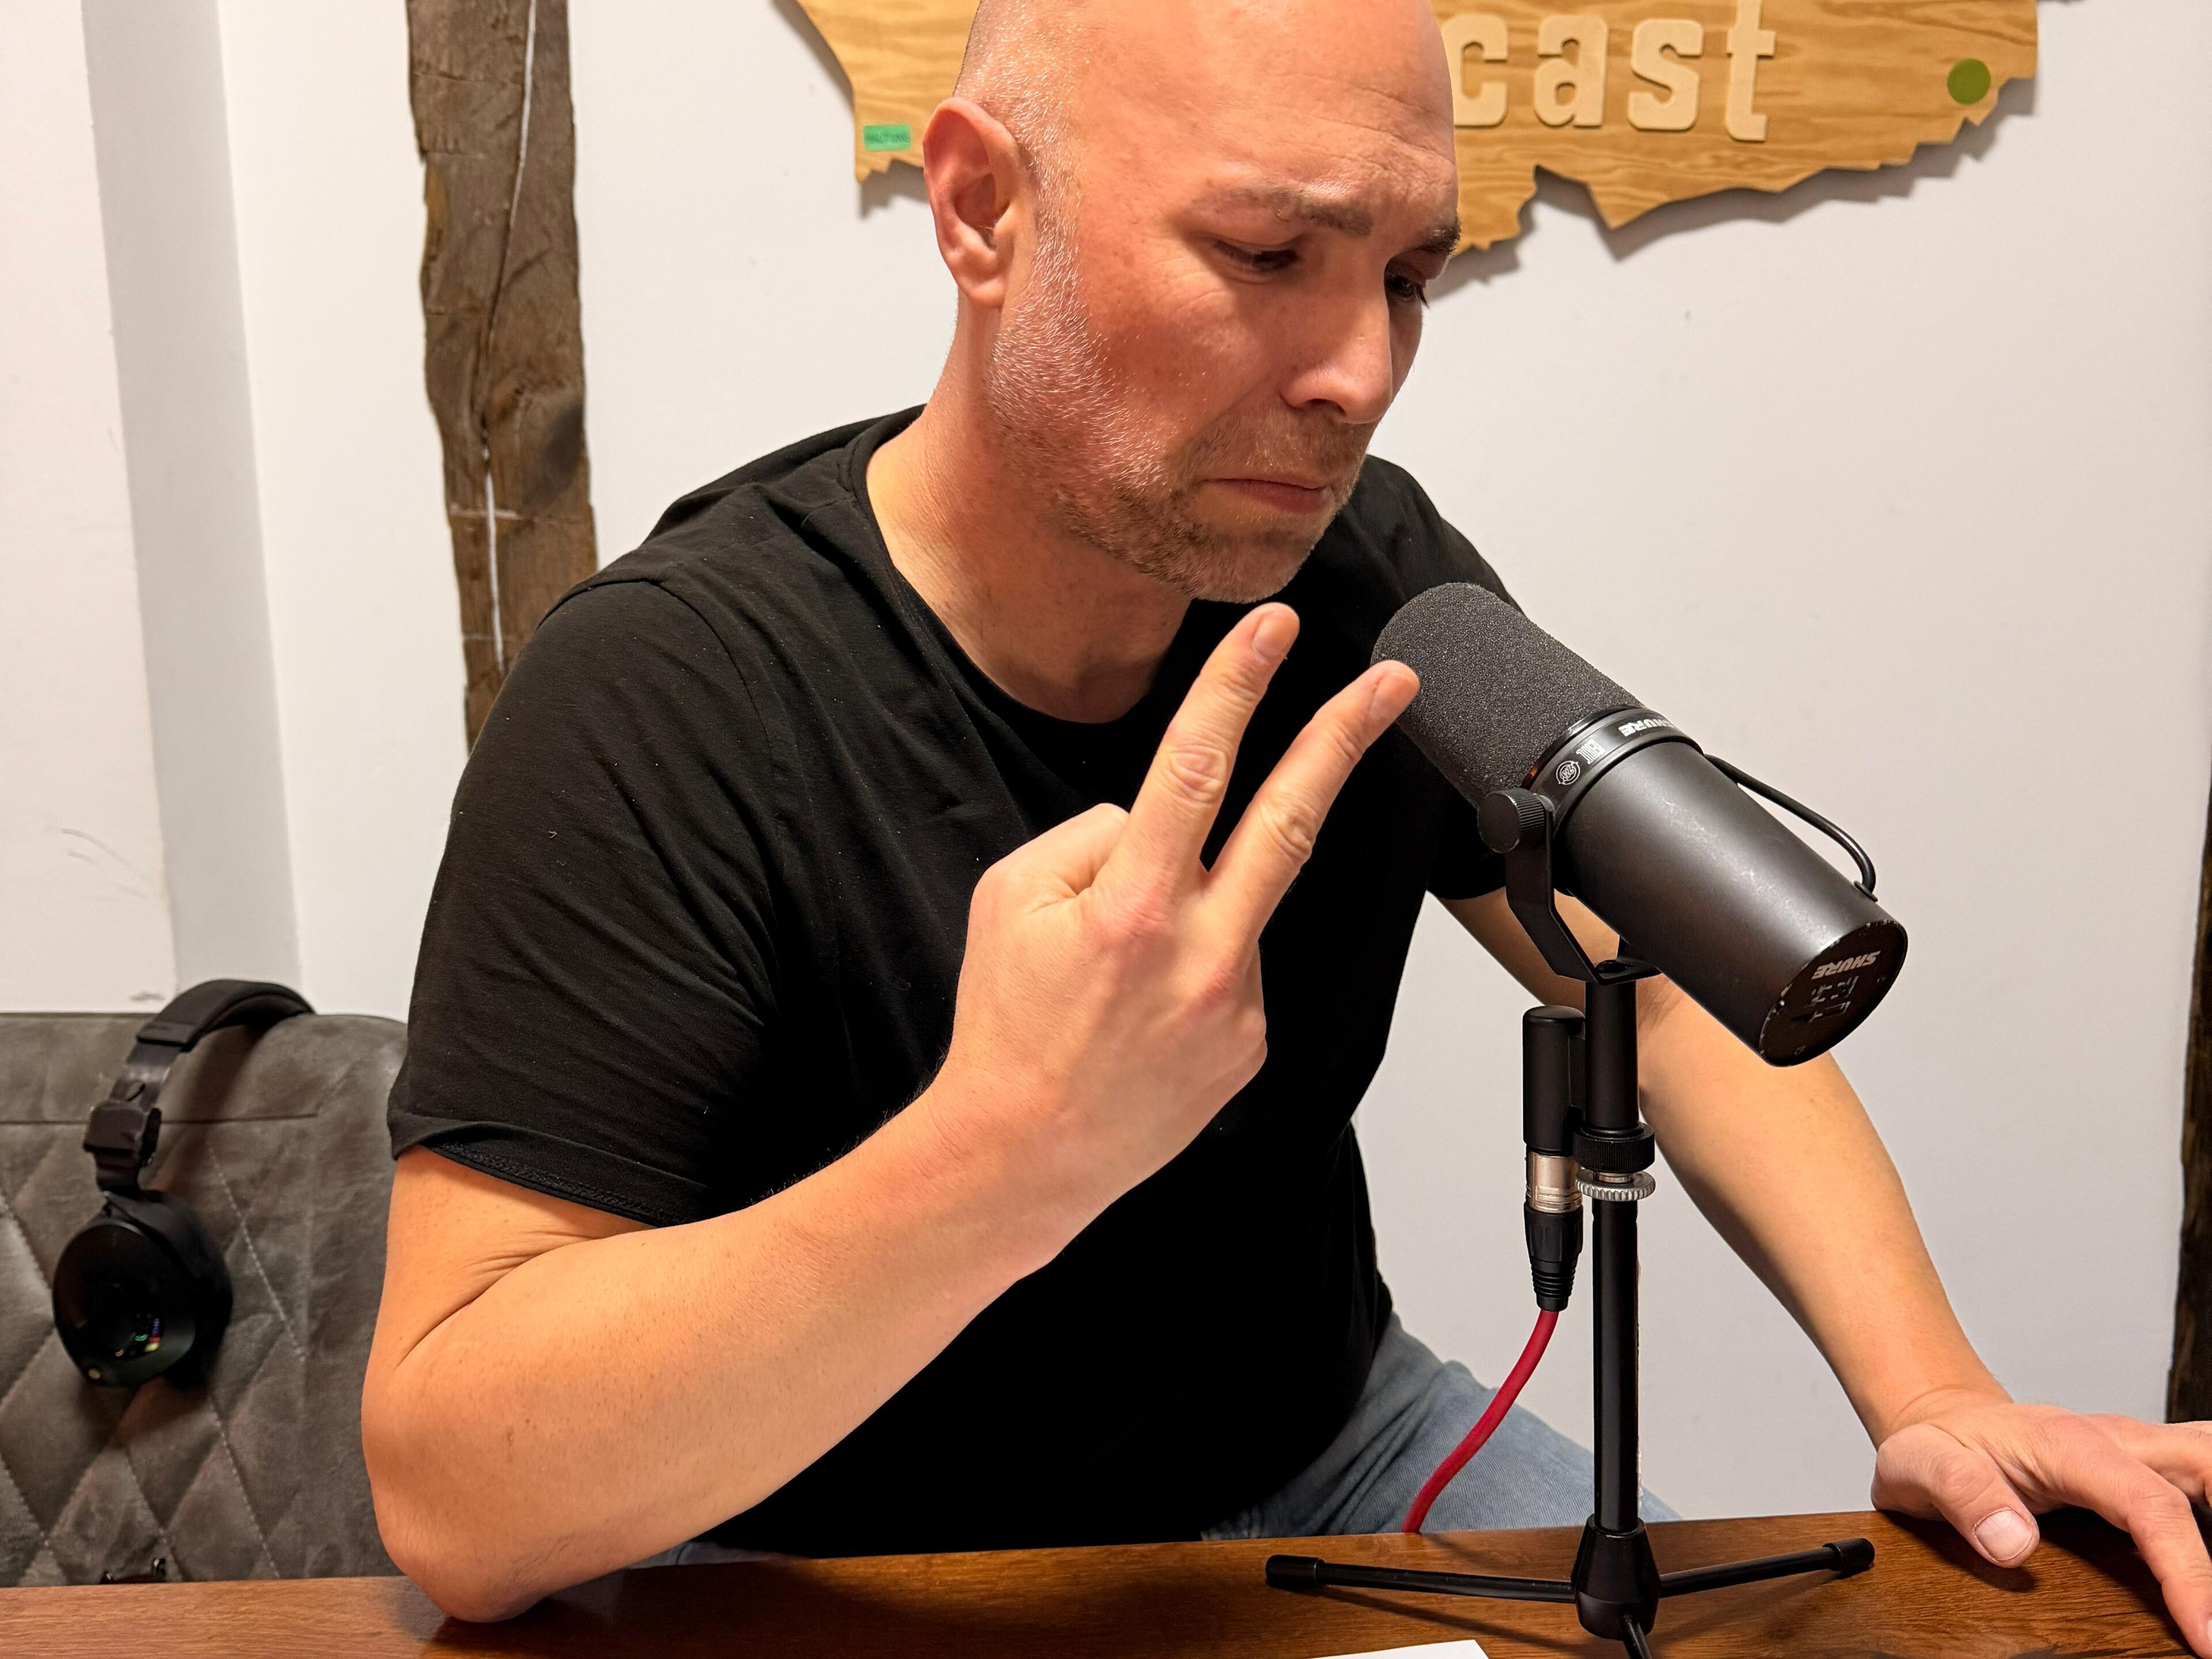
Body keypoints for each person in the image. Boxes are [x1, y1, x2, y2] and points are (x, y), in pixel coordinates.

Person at [360, 0, 2212, 1637]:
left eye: (1408, 277)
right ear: (981, 207)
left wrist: (1932, 1391)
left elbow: (1655, 986)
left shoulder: (1369, 579)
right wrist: (1001, 1159)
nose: (1360, 375)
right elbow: (455, 1501)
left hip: (1333, 1453)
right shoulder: (669, 695)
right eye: (1268, 252)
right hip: (823, 1552)